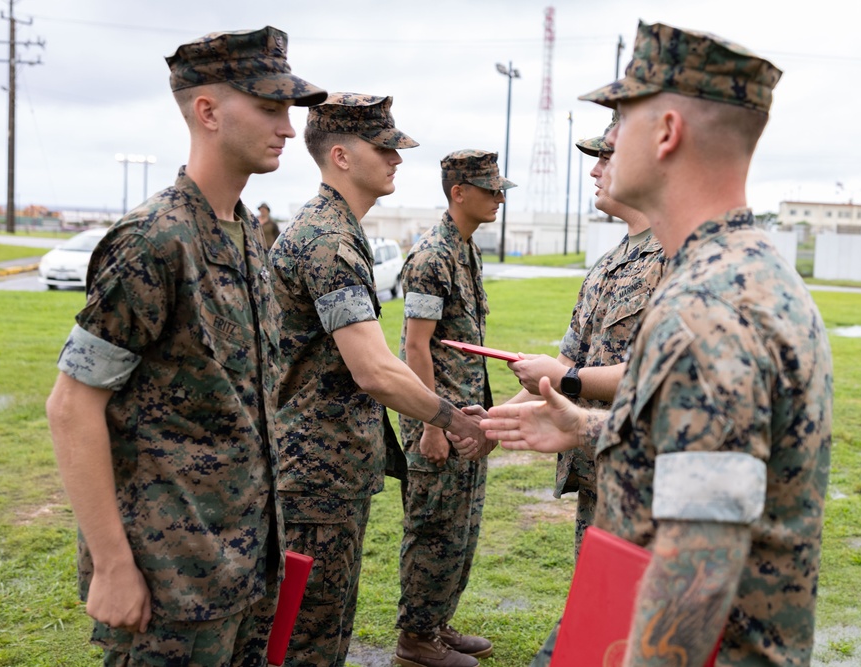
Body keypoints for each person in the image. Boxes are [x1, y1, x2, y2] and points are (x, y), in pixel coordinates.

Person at [482, 20, 833, 667]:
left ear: (667, 132)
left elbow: (693, 585)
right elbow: (691, 448)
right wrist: (587, 428)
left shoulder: (710, 305)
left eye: (620, 117)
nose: (609, 141)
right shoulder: (731, 275)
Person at [44, 27, 325, 665]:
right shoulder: (155, 240)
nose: (287, 127)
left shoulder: (248, 235)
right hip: (170, 579)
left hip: (244, 562)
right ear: (207, 111)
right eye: (270, 107)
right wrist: (114, 567)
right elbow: (71, 406)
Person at [270, 94, 492, 667]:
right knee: (308, 640)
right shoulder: (328, 241)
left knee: (325, 626)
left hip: (331, 465)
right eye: (384, 147)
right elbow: (374, 369)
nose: (397, 159)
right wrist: (448, 418)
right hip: (314, 471)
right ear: (341, 156)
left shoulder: (340, 232)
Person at [502, 116, 666, 561]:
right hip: (597, 469)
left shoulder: (674, 255)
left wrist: (567, 378)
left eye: (605, 157)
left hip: (644, 477)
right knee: (596, 603)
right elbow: (566, 359)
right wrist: (494, 420)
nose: (594, 171)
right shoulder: (609, 261)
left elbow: (654, 376)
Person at [394, 150, 514, 667]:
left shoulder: (465, 250)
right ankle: (415, 640)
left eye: (501, 188)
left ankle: (437, 625)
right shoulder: (431, 257)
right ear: (458, 192)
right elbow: (415, 347)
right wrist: (431, 426)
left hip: (464, 419)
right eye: (490, 189)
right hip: (437, 422)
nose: (500, 198)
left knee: (460, 528)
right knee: (433, 528)